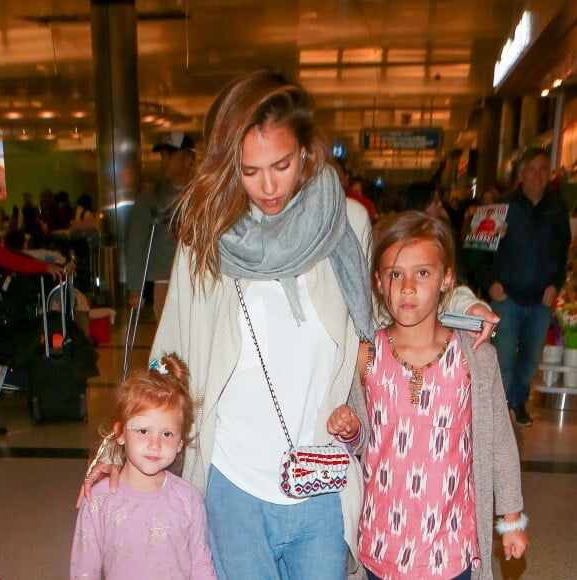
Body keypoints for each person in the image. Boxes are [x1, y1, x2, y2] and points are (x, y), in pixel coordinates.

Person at [82, 70, 497, 579]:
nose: (268, 186)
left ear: (304, 150)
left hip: (319, 476)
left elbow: (397, 290)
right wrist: (117, 453)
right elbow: (168, 361)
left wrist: (462, 301)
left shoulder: (346, 224)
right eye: (250, 170)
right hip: (232, 481)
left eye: (280, 164)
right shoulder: (205, 241)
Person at [356, 211, 528, 579]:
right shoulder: (366, 356)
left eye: (423, 273)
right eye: (394, 274)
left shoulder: (475, 358)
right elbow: (354, 438)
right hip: (381, 544)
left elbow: (499, 440)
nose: (407, 287)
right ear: (378, 282)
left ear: (446, 278)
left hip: (451, 546)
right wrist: (345, 426)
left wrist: (511, 517)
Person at [70, 353, 216, 579]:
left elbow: (201, 565)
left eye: (167, 433)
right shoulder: (98, 500)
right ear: (119, 433)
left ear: (179, 443)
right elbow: (84, 570)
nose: (155, 444)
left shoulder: (189, 500)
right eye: (143, 431)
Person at [478, 148, 571, 426]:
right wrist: (489, 283)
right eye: (532, 169)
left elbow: (561, 251)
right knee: (504, 359)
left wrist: (555, 284)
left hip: (540, 300)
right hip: (506, 297)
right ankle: (499, 413)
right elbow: (478, 252)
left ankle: (518, 401)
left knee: (530, 361)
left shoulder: (557, 209)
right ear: (521, 174)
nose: (538, 175)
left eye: (544, 169)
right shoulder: (501, 208)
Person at [126, 131, 196, 324]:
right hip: (165, 280)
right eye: (163, 156)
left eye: (171, 155)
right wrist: (135, 287)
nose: (165, 161)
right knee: (166, 343)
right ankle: (158, 357)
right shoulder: (151, 198)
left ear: (189, 159)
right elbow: (137, 241)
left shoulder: (203, 196)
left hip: (197, 280)